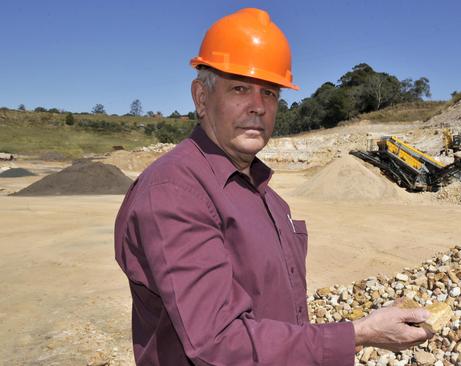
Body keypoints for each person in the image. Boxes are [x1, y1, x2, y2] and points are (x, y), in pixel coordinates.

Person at [114, 8, 434, 365]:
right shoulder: (174, 191)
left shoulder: (267, 196)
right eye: (240, 88)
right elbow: (217, 343)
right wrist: (360, 333)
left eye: (269, 93)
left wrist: (362, 328)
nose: (258, 107)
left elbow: (276, 316)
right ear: (201, 99)